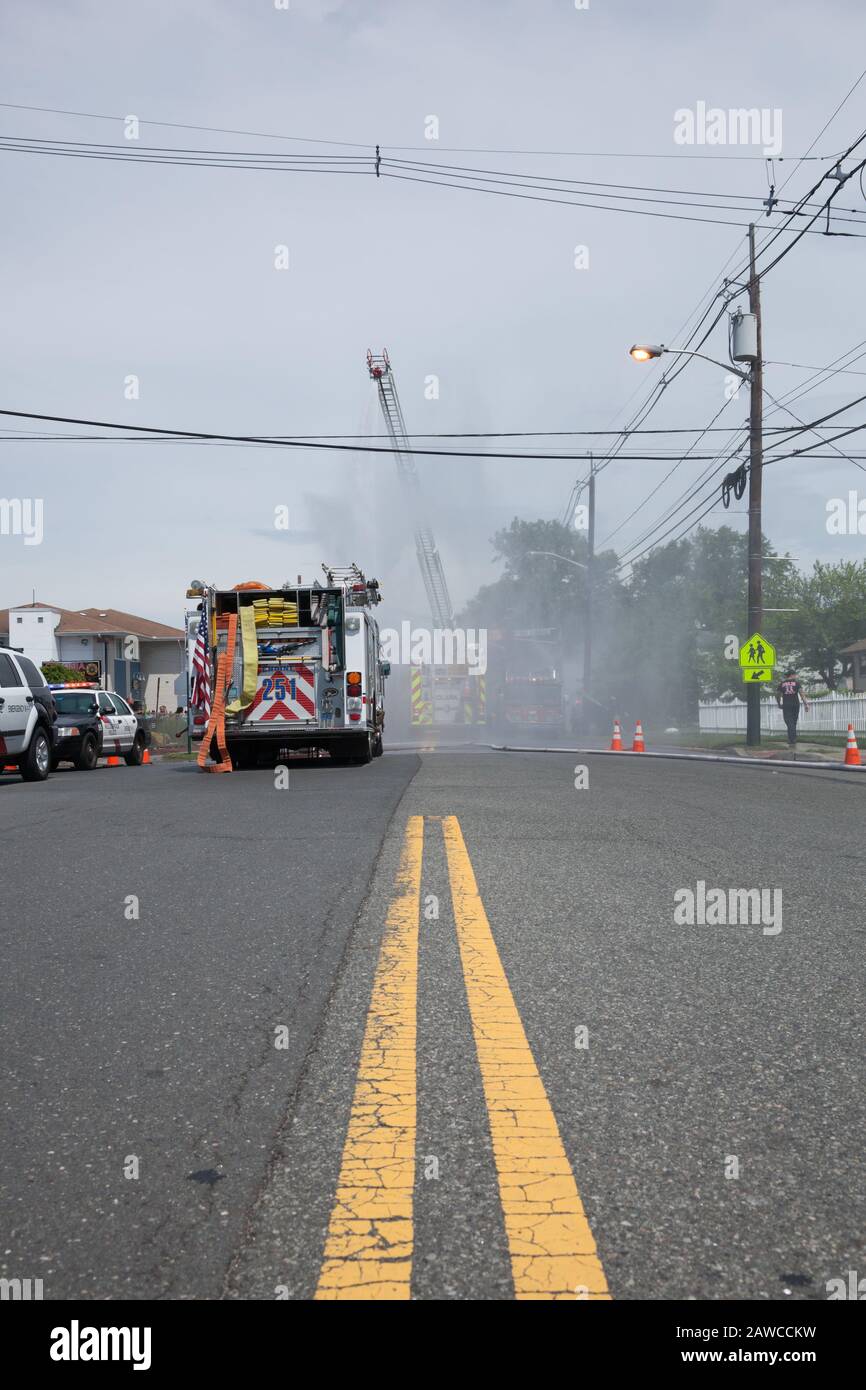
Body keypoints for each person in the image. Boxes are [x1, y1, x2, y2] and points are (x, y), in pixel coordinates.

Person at [776, 669, 809, 747]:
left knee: (789, 722)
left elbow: (778, 695)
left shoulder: (782, 684)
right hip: (795, 704)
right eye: (795, 675)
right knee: (793, 722)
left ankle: (792, 739)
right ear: (791, 675)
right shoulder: (797, 683)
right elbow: (802, 694)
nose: (796, 676)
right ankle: (792, 738)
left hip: (786, 705)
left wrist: (778, 703)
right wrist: (806, 704)